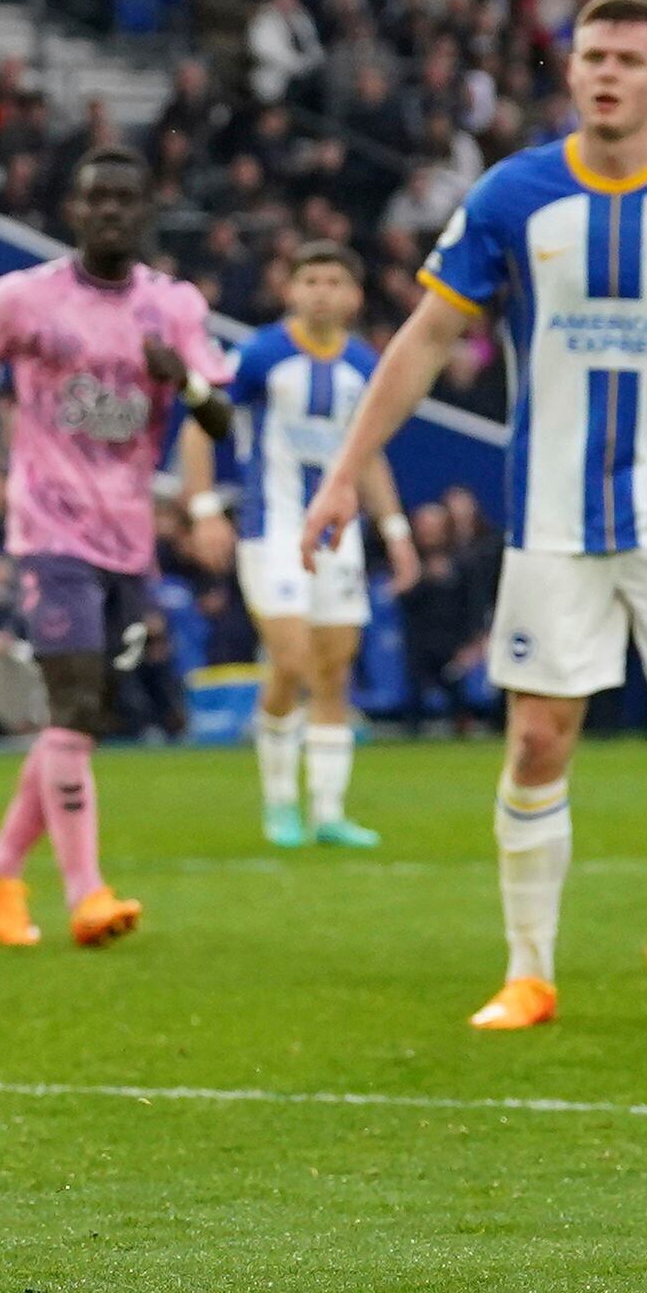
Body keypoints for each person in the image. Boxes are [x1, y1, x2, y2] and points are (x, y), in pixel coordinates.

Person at [303, 0, 647, 1031]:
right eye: (590, 55)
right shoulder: (513, 195)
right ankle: (528, 971)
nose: (606, 73)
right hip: (550, 519)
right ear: (568, 72)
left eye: (627, 59)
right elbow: (422, 340)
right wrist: (342, 473)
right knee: (538, 742)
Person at [0, 148, 236, 952]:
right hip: (50, 530)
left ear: (147, 212)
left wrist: (186, 383)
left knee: (82, 717)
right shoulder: (24, 299)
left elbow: (222, 420)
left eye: (126, 200)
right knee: (72, 704)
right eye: (97, 198)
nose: (111, 214)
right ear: (74, 210)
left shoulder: (176, 307)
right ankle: (87, 892)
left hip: (128, 539)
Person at [182, 241, 413, 851]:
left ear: (354, 296)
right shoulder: (261, 354)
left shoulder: (365, 366)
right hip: (272, 530)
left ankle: (329, 813)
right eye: (309, 279)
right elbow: (200, 421)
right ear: (291, 290)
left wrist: (395, 530)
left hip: (341, 539)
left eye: (334, 281)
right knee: (290, 660)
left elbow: (370, 456)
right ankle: (280, 804)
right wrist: (204, 507)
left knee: (334, 673)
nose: (320, 292)